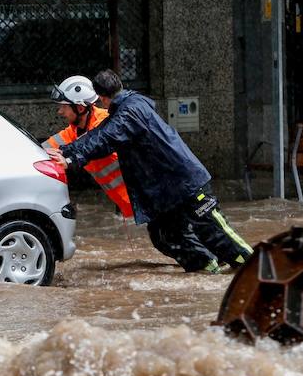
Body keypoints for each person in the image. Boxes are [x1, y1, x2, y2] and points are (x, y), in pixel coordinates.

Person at [46, 69, 254, 274]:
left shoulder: (130, 113)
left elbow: (104, 138)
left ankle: (256, 269)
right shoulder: (125, 110)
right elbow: (97, 135)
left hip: (185, 183)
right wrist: (67, 152)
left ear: (102, 98)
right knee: (165, 237)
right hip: (167, 191)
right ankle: (208, 271)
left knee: (216, 234)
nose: (60, 112)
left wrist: (71, 159)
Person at [42, 75, 133, 219]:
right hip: (129, 206)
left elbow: (89, 145)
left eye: (64, 106)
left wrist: (68, 161)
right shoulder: (73, 131)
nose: (60, 111)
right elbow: (42, 149)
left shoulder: (106, 123)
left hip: (148, 199)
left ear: (79, 108)